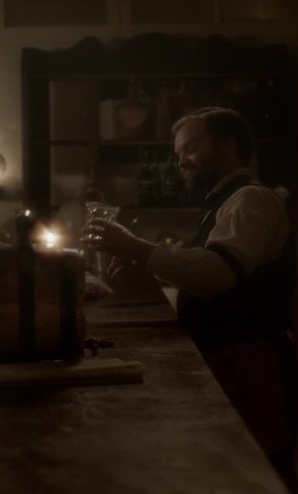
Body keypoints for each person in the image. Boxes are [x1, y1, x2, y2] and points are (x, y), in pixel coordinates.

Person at [83, 107, 296, 489]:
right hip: (231, 354)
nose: (181, 160)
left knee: (258, 471)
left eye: (192, 147)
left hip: (251, 361)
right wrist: (144, 260)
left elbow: (216, 275)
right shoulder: (223, 201)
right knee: (230, 468)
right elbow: (204, 269)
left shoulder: (251, 199)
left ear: (229, 145)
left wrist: (136, 247)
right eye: (178, 152)